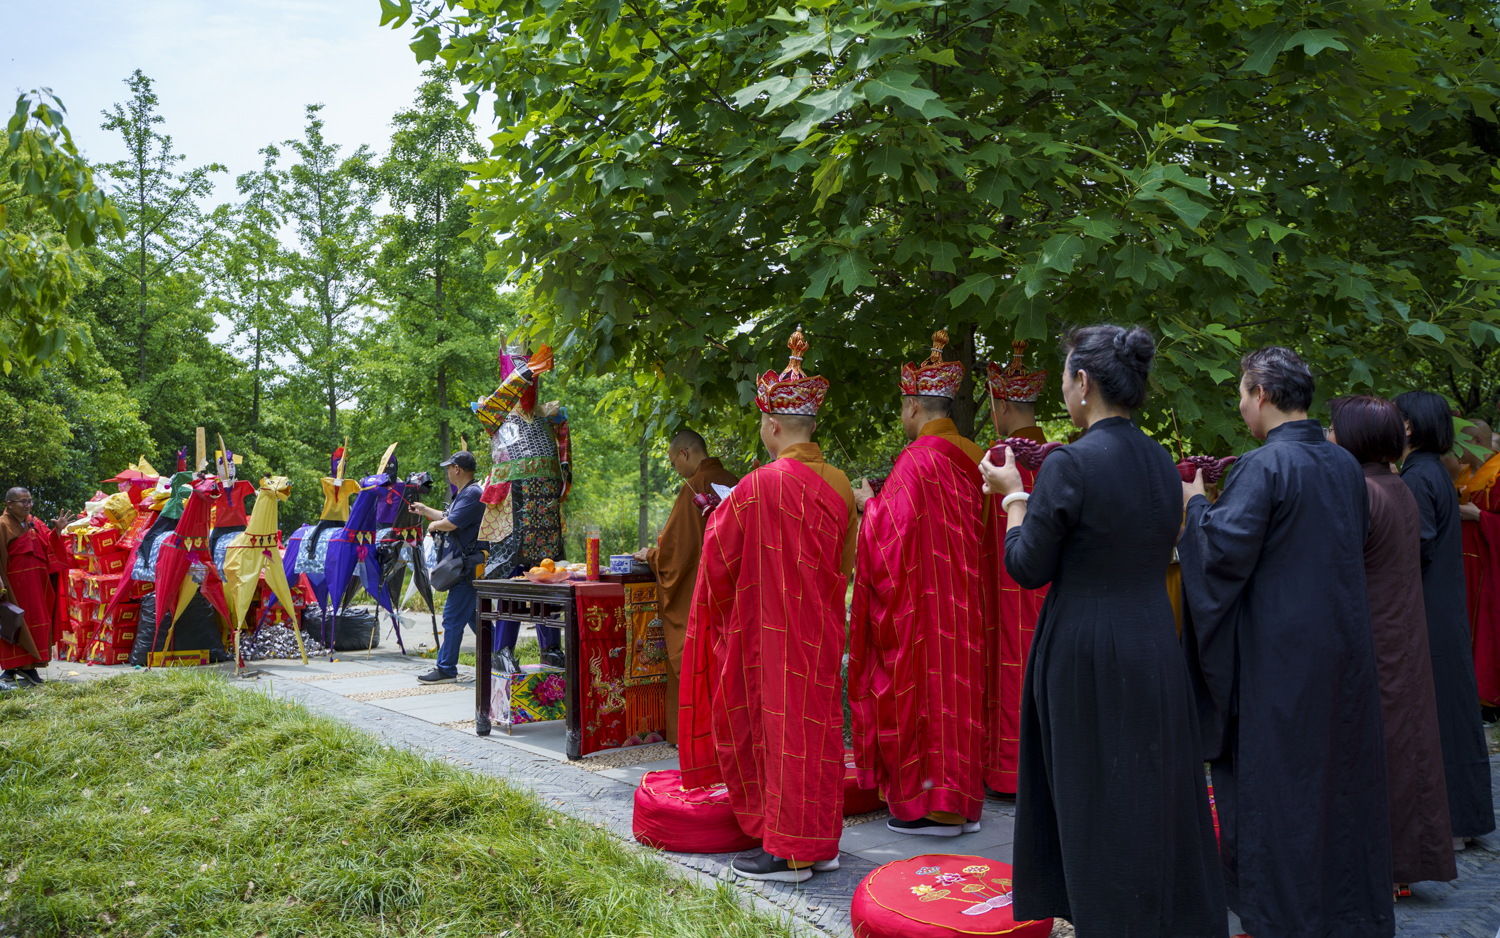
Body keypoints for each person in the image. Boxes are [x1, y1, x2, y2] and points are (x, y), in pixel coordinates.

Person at [980, 325, 1224, 935]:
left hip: (1086, 645)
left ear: (1083, 384)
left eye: (1065, 377)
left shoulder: (1071, 462)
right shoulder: (1161, 464)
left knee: (1093, 793)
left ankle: (1107, 919)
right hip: (1151, 639)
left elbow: (1026, 566)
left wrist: (1013, 497)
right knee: (1148, 786)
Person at [1178, 346, 1392, 938]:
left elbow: (1220, 556)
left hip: (1279, 656)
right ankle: (1346, 910)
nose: (1242, 406)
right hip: (1342, 647)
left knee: (1278, 788)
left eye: (1244, 394)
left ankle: (1280, 917)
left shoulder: (1265, 467)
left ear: (1263, 395)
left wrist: (1195, 505)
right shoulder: (1344, 465)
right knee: (1337, 781)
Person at [678, 330, 855, 884]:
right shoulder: (842, 485)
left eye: (761, 423)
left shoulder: (757, 488)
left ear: (774, 426)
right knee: (819, 730)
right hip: (821, 629)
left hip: (771, 631)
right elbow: (844, 566)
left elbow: (718, 562)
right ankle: (818, 842)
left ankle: (786, 851)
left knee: (778, 732)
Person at [848, 329, 985, 837]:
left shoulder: (915, 463)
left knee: (923, 699)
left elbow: (889, 538)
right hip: (963, 605)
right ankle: (963, 805)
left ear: (913, 406)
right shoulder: (970, 458)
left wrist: (869, 504)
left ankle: (932, 809)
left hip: (922, 612)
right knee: (960, 696)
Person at [1329, 395, 1456, 890]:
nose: (1331, 438)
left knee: (1380, 748)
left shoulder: (1364, 492)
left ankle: (1383, 866)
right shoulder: (1395, 486)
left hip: (1375, 637)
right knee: (1407, 746)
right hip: (1401, 630)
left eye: (1338, 430)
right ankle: (1403, 864)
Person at [1395, 391, 1497, 847]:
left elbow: (1416, 546)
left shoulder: (1419, 475)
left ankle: (1453, 823)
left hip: (1429, 609)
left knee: (1438, 713)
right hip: (1445, 605)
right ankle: (1467, 819)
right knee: (1454, 711)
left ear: (1410, 427)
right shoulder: (1433, 470)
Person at [632, 428, 739, 744]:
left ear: (685, 453)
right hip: (734, 592)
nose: (675, 469)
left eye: (673, 461)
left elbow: (675, 554)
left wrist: (650, 554)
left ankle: (696, 737)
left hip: (700, 593)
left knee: (697, 658)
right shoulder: (735, 481)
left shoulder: (694, 486)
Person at [471, 342, 569, 672]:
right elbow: (496, 406)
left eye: (533, 372)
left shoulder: (549, 417)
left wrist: (564, 483)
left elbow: (565, 453)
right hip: (511, 510)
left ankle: (550, 646)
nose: (529, 383)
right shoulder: (493, 412)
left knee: (548, 576)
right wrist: (524, 373)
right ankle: (502, 650)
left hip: (545, 509)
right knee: (511, 579)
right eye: (522, 371)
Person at [979, 340, 1050, 795]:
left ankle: (1008, 772)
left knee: (1008, 668)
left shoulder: (996, 459)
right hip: (1049, 587)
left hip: (1004, 581)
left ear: (1001, 403)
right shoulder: (1061, 455)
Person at [411, 451, 485, 684]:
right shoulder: (465, 493)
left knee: (452, 618)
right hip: (469, 565)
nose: (447, 472)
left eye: (449, 467)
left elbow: (451, 523)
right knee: (476, 620)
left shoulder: (472, 494)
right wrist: (425, 511)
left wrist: (433, 525)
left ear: (457, 469)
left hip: (466, 567)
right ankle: (496, 658)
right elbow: (447, 515)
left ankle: (446, 669)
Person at [0, 488, 72, 686]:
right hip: (13, 585)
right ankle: (17, 668)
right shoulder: (2, 524)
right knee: (13, 622)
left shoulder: (35, 522)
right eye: (23, 501)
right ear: (9, 504)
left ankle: (25, 667)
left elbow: (48, 548)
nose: (28, 505)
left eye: (30, 501)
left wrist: (57, 531)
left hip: (37, 584)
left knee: (36, 622)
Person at [1455, 421, 1500, 711]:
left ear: (1478, 440)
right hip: (1465, 565)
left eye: (1460, 441)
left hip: (1490, 567)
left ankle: (1488, 700)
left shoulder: (1497, 473)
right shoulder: (1464, 472)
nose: (1454, 448)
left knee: (1487, 628)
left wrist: (1480, 518)